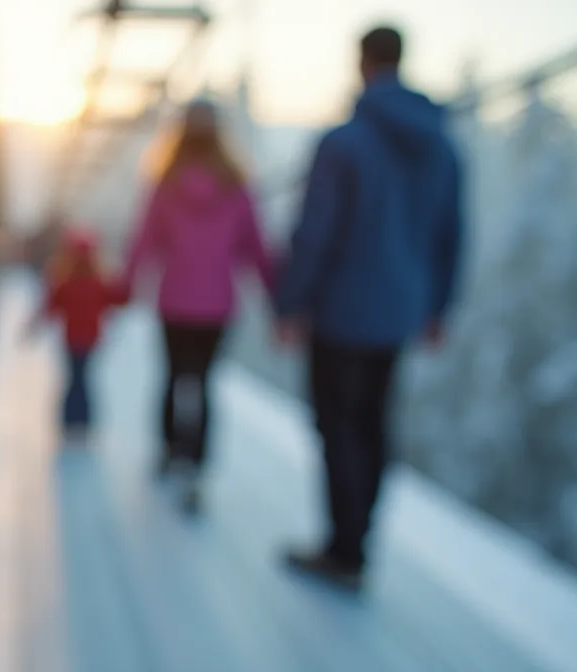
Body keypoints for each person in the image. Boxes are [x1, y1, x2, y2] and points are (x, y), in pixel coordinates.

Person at [273, 25, 463, 589]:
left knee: (338, 427)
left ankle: (343, 549)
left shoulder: (344, 144)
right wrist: (438, 307)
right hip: (400, 314)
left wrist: (290, 302)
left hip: (341, 313)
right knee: (375, 424)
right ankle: (360, 541)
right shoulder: (442, 147)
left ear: (362, 63)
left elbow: (315, 233)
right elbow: (452, 234)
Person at [119, 99, 275, 512]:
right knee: (203, 383)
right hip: (218, 306)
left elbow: (144, 240)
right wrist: (279, 297)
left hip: (174, 300)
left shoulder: (166, 183)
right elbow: (256, 248)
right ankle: (197, 464)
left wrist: (126, 286)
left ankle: (170, 450)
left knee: (172, 376)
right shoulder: (237, 187)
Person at [29, 228, 126, 439]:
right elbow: (117, 299)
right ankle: (80, 421)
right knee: (81, 378)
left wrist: (34, 325)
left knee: (76, 378)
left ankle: (73, 420)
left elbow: (50, 306)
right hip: (86, 339)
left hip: (77, 340)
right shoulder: (96, 282)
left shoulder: (68, 281)